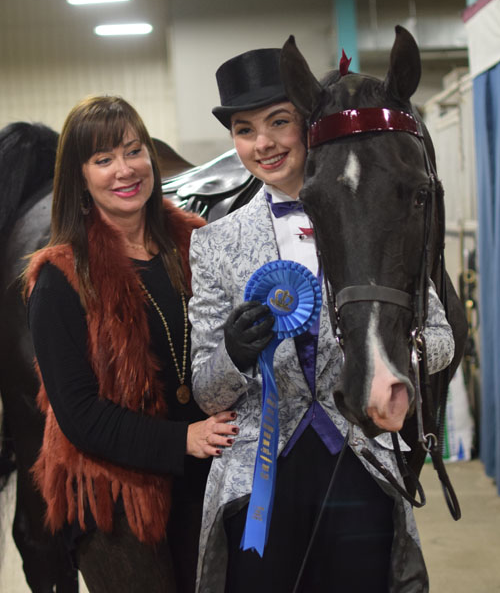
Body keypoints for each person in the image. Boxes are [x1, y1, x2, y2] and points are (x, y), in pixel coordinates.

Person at [188, 49, 456, 592]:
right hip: (258, 480)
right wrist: (235, 355)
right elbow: (205, 392)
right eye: (245, 130)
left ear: (309, 123)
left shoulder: (374, 214)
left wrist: (397, 349)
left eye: (279, 122)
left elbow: (442, 340)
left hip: (359, 461)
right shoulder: (213, 243)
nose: (263, 143)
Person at [24, 95, 237, 593]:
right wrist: (183, 440)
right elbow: (80, 415)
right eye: (103, 160)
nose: (124, 170)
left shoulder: (198, 245)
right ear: (80, 177)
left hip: (204, 475)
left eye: (133, 150)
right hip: (115, 494)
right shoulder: (60, 279)